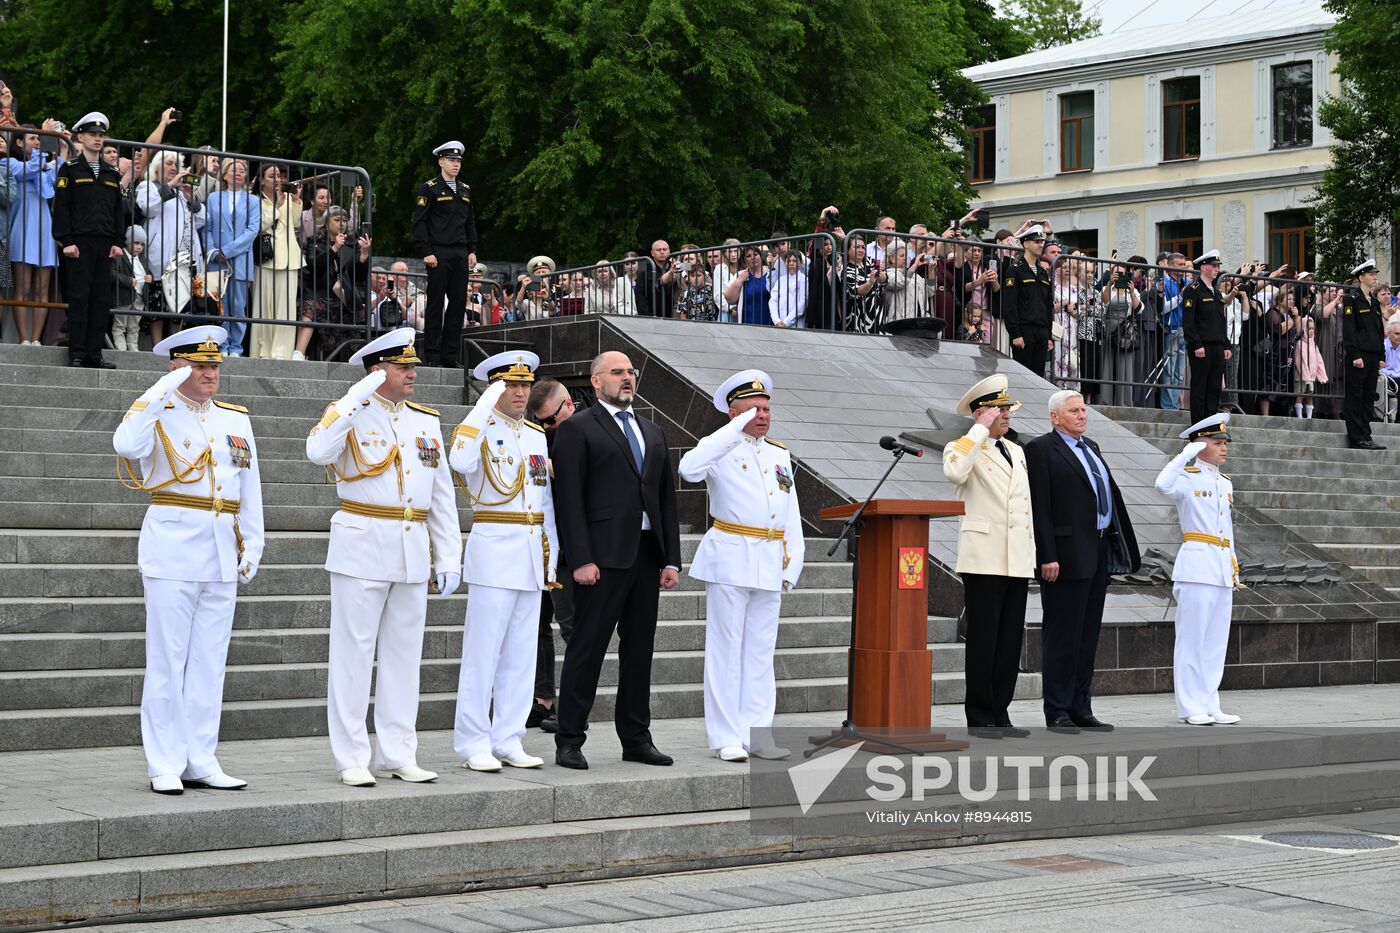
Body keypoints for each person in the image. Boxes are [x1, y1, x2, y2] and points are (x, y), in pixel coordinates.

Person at [304, 328, 462, 786]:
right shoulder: (350, 412)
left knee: (404, 658)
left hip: (411, 548)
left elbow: (441, 495)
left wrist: (449, 556)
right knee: (352, 656)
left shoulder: (424, 422)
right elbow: (317, 451)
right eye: (401, 366)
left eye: (412, 366)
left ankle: (398, 752)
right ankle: (352, 755)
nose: (412, 373)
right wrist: (355, 398)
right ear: (377, 371)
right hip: (362, 545)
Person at [111, 325, 265, 793]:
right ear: (176, 368)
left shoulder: (234, 419)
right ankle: (164, 762)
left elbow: (250, 487)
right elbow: (125, 445)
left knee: (209, 662)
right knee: (167, 660)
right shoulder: (156, 412)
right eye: (199, 366)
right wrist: (163, 388)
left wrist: (253, 543)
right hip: (173, 548)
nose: (210, 374)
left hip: (221, 549)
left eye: (214, 365)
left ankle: (201, 757)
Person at [549, 351, 682, 770]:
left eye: (631, 372)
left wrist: (671, 559)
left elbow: (665, 499)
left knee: (639, 651)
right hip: (601, 559)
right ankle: (569, 739)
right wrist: (580, 559)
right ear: (596, 381)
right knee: (586, 649)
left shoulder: (652, 430)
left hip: (645, 555)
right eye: (617, 372)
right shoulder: (577, 428)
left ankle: (636, 738)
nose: (627, 378)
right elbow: (568, 499)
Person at [679, 370, 805, 762]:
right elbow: (688, 469)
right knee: (726, 649)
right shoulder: (719, 447)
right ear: (733, 413)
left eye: (766, 408)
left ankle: (758, 734)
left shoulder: (778, 454)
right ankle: (726, 736)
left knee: (760, 653)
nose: (762, 415)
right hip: (731, 557)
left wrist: (792, 565)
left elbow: (791, 513)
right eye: (753, 409)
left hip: (769, 560)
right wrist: (732, 431)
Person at [448, 351, 558, 772]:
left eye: (525, 385)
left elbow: (545, 502)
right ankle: (472, 741)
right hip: (494, 551)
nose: (519, 392)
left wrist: (551, 555)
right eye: (510, 385)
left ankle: (509, 737)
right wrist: (482, 406)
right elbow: (459, 461)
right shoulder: (477, 429)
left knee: (521, 655)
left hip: (530, 552)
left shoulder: (535, 435)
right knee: (483, 654)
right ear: (493, 388)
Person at [1025, 389, 1140, 733]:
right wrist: (1047, 555)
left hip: (1097, 552)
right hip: (1064, 557)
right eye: (1074, 411)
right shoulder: (1041, 449)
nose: (1082, 415)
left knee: (1087, 637)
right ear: (1055, 417)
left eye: (1084, 410)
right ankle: (1057, 709)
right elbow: (1040, 507)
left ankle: (1080, 706)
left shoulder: (1091, 447)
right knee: (1062, 635)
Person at [942, 375, 1034, 738]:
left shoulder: (1016, 451)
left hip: (1016, 558)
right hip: (984, 558)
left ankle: (1001, 712)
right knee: (984, 640)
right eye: (1000, 410)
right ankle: (980, 717)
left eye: (1008, 409)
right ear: (982, 413)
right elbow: (955, 472)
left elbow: (1025, 506)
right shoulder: (963, 446)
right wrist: (978, 430)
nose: (1008, 415)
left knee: (1009, 641)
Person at [1154, 414, 1241, 726]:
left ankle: (1210, 702)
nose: (1224, 448)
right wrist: (1185, 455)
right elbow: (1161, 485)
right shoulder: (1186, 477)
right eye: (1217, 443)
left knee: (1215, 642)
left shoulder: (1224, 482)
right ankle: (1191, 706)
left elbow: (1226, 529)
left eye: (1224, 443)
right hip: (1196, 567)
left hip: (1221, 568)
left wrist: (1233, 566)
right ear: (1200, 445)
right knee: (1192, 641)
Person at [51, 112, 125, 369]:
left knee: (101, 301)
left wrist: (119, 242)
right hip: (79, 244)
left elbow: (118, 211)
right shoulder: (70, 169)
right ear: (80, 137)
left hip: (105, 245)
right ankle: (78, 353)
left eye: (101, 135)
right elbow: (62, 207)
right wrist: (66, 240)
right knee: (79, 298)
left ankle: (95, 353)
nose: (98, 139)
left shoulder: (111, 173)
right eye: (93, 134)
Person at [527, 378, 577, 734]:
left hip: (571, 550)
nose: (546, 426)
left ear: (568, 404)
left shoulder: (588, 431)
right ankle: (543, 699)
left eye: (550, 419)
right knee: (536, 625)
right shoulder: (538, 438)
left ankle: (574, 706)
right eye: (540, 421)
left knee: (571, 628)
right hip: (539, 544)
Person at [411, 141, 478, 367]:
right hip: (439, 251)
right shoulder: (429, 188)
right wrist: (427, 251)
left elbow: (470, 222)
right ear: (441, 162)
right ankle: (432, 354)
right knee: (436, 303)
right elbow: (420, 222)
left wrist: (472, 249)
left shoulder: (465, 189)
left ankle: (449, 355)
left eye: (458, 160)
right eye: (451, 160)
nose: (455, 164)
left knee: (458, 303)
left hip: (460, 251)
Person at [7, 124, 61, 345]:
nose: (38, 142)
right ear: (19, 142)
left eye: (40, 139)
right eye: (33, 139)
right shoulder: (10, 163)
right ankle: (23, 339)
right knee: (23, 287)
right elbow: (28, 170)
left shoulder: (44, 166)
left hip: (44, 230)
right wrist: (45, 144)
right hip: (23, 228)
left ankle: (36, 340)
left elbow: (60, 177)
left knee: (41, 289)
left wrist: (61, 145)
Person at [203, 158, 261, 357]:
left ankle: (235, 347)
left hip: (240, 259)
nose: (238, 173)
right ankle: (221, 344)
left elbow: (252, 230)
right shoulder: (213, 198)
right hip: (217, 260)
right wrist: (212, 251)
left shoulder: (253, 201)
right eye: (233, 169)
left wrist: (227, 251)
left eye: (242, 170)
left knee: (237, 306)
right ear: (225, 174)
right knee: (219, 305)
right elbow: (207, 227)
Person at [253, 162, 302, 359]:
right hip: (267, 257)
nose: (277, 180)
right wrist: (276, 206)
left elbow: (295, 223)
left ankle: (282, 351)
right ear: (261, 180)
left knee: (286, 308)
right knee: (264, 307)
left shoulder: (287, 197)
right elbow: (259, 225)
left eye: (279, 176)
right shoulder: (255, 200)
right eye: (271, 176)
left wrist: (296, 201)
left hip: (290, 257)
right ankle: (263, 350)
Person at [1181, 250, 1234, 423]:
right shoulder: (1193, 290)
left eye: (1218, 266)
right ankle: (1198, 424)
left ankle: (1210, 422)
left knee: (1214, 387)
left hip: (1217, 346)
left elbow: (1220, 321)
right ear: (1203, 268)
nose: (1217, 269)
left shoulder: (1216, 292)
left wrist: (1226, 345)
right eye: (1214, 266)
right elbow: (1189, 322)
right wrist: (1196, 344)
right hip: (1202, 346)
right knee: (1200, 386)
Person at [1343, 259, 1386, 450]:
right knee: (1355, 396)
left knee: (1368, 397)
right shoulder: (1351, 299)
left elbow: (1378, 331)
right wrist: (1354, 355)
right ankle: (1356, 436)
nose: (1375, 278)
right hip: (1359, 356)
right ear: (1361, 278)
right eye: (1371, 274)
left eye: (1375, 274)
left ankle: (1366, 434)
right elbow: (1349, 330)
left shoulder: (1374, 302)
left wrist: (1382, 356)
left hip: (1373, 356)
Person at [1002, 225, 1053, 378]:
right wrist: (1015, 333)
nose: (1041, 245)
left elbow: (1047, 306)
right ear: (1026, 244)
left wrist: (1048, 334)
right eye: (1036, 242)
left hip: (1041, 332)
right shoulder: (1015, 270)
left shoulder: (1043, 272)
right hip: (1024, 331)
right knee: (1023, 376)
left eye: (1042, 242)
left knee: (1038, 376)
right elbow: (1010, 304)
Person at [109, 226, 150, 351]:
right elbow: (110, 273)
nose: (139, 247)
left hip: (139, 296)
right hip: (123, 296)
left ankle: (133, 349)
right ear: (127, 242)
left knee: (134, 326)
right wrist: (128, 280)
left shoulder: (142, 258)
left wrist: (149, 277)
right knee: (120, 325)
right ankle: (121, 349)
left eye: (142, 244)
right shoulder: (119, 255)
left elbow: (146, 272)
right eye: (136, 243)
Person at [1294, 315, 1328, 419]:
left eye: (1313, 329)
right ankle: (1299, 418)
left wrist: (1322, 376)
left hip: (1311, 378)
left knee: (1310, 397)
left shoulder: (1314, 345)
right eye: (1309, 329)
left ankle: (1309, 418)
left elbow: (1319, 360)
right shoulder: (1300, 344)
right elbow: (1300, 363)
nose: (1311, 331)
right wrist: (1306, 377)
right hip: (1301, 377)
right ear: (1304, 329)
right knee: (1300, 395)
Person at [634, 239, 676, 318]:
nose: (662, 252)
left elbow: (693, 267)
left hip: (674, 316)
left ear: (669, 251)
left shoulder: (676, 267)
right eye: (658, 250)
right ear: (652, 253)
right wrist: (647, 316)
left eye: (664, 249)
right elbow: (640, 297)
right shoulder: (644, 271)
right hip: (652, 316)